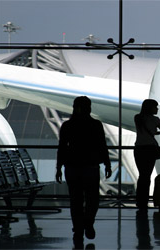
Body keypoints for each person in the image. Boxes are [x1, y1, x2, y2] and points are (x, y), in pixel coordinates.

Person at [56, 96, 112, 248]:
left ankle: (78, 229)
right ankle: (88, 222)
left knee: (76, 200)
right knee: (92, 199)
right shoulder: (95, 125)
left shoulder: (67, 125)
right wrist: (107, 164)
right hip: (91, 166)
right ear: (89, 108)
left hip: (72, 167)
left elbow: (62, 147)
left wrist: (58, 167)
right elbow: (102, 145)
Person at [134, 99, 160, 212]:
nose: (157, 109)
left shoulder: (138, 118)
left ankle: (140, 201)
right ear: (150, 107)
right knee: (147, 175)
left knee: (142, 175)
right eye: (155, 107)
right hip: (150, 149)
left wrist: (158, 132)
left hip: (139, 149)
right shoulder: (156, 120)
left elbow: (145, 130)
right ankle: (144, 201)